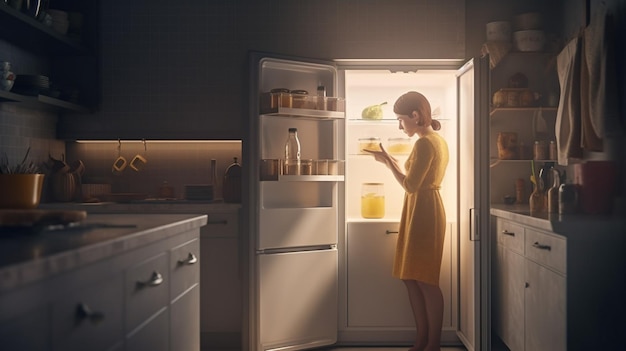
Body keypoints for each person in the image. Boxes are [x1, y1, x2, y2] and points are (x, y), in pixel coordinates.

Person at [364, 91, 449, 351]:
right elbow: (415, 180)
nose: (400, 126)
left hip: (424, 211)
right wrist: (389, 159)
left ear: (415, 116)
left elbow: (411, 185)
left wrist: (389, 164)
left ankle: (432, 343)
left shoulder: (425, 143)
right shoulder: (436, 140)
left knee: (426, 279)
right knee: (410, 276)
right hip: (420, 209)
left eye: (401, 120)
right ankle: (421, 340)